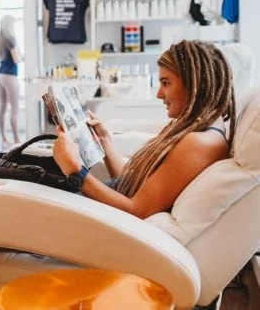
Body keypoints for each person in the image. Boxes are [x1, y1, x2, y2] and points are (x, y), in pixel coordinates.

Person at [52, 40, 236, 219]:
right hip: (106, 203)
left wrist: (75, 171)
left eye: (166, 83)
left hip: (104, 218)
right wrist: (104, 140)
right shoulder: (197, 127)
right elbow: (131, 184)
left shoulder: (199, 143)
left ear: (196, 84)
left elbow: (137, 211)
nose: (159, 94)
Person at [0, 15, 24, 148]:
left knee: (3, 108)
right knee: (14, 110)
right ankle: (17, 140)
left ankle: (4, 139)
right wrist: (24, 57)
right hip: (10, 76)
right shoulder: (11, 39)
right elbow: (16, 59)